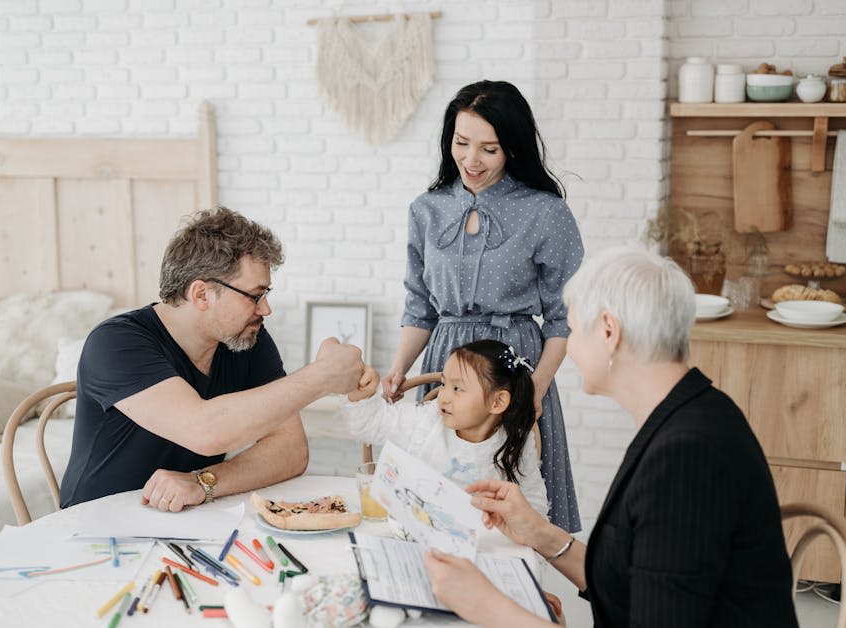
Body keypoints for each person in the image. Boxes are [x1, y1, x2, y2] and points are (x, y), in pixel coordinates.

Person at [422, 247, 798, 627]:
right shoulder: (689, 414)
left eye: (572, 330)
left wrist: (491, 608)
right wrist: (541, 535)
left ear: (608, 331)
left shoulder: (686, 456)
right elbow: (641, 580)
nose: (569, 347)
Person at [59, 207, 364, 510]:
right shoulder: (115, 344)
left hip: (187, 523)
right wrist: (322, 376)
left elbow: (292, 449)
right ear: (201, 294)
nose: (265, 309)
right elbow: (203, 430)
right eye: (255, 296)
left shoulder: (245, 339)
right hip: (96, 526)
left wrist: (204, 482)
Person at [384, 80, 584, 532]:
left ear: (512, 148)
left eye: (489, 149)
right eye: (461, 143)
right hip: (446, 368)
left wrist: (535, 386)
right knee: (434, 507)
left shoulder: (545, 212)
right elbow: (420, 308)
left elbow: (564, 317)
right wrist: (398, 368)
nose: (471, 160)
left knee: (515, 501)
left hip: (515, 373)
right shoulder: (426, 209)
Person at [341, 339, 549, 517]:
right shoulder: (427, 421)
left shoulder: (514, 442)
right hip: (415, 539)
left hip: (482, 551)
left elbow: (534, 506)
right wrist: (361, 393)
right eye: (443, 384)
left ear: (497, 402)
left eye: (457, 388)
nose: (443, 396)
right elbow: (371, 422)